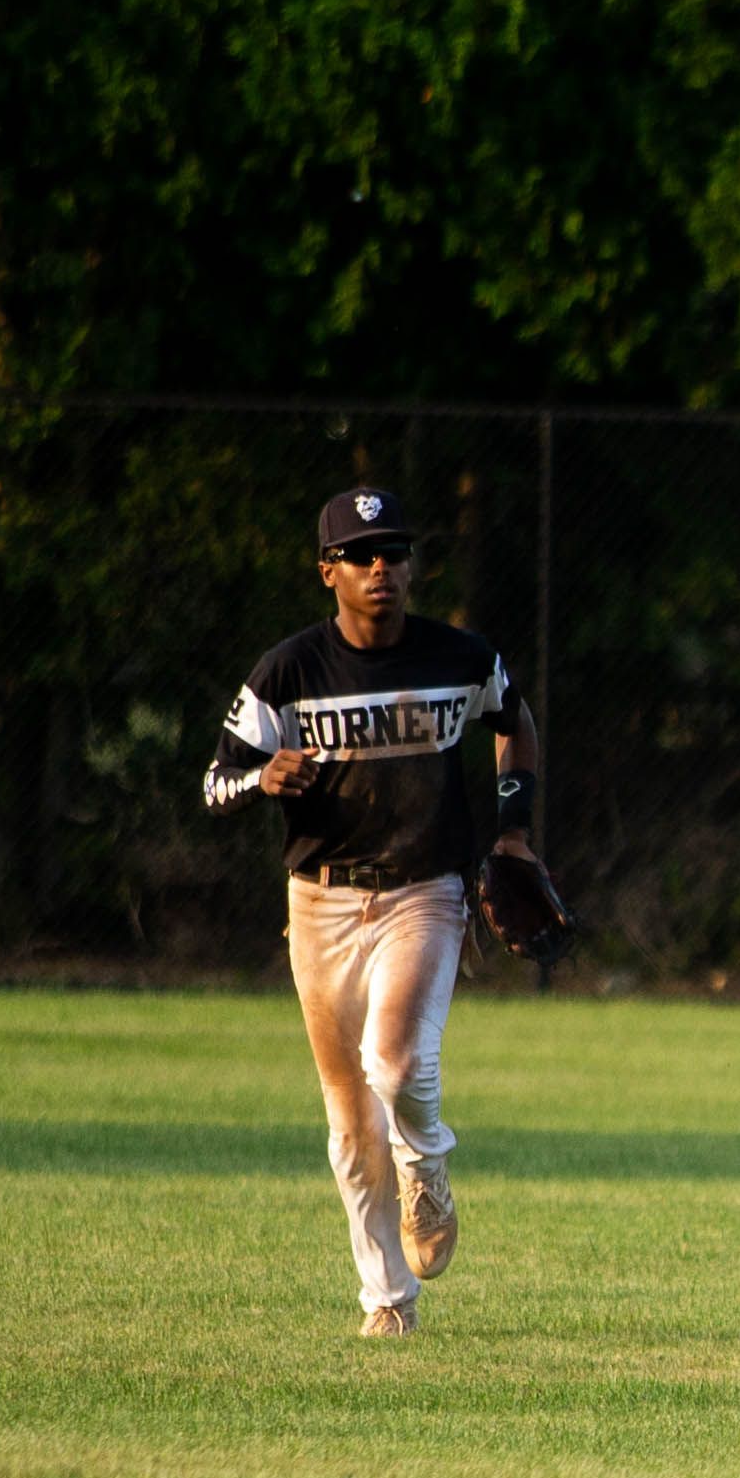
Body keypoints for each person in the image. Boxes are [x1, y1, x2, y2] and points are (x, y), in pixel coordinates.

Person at [202, 488, 546, 1338]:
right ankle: (387, 1299)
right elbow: (215, 782)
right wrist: (261, 778)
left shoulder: (458, 655)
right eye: (360, 555)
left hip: (423, 889)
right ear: (329, 571)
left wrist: (512, 830)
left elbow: (514, 719)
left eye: (393, 552)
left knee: (393, 1062)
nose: (379, 567)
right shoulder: (289, 671)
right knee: (352, 1118)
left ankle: (426, 1165)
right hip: (320, 900)